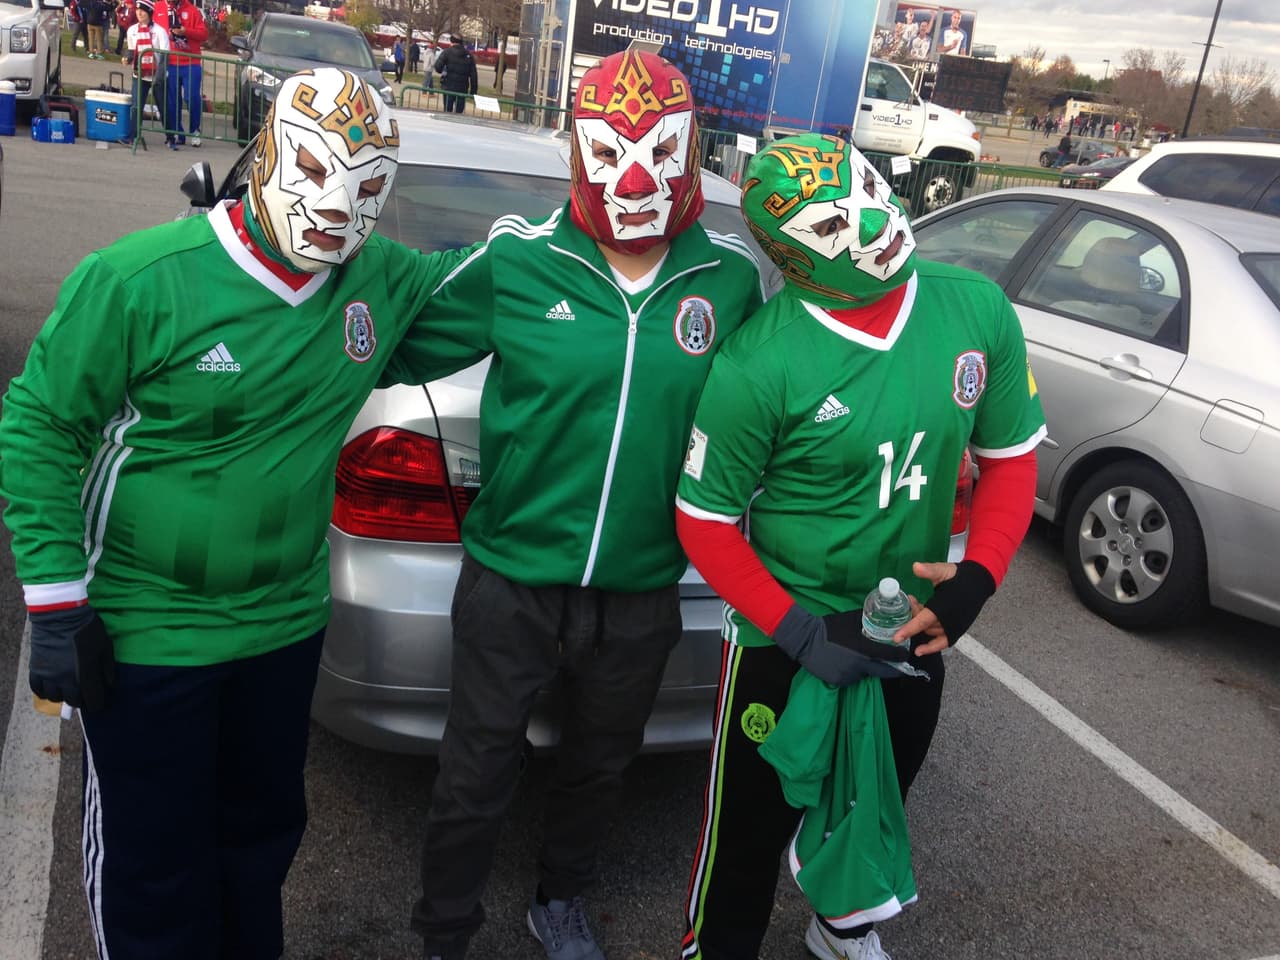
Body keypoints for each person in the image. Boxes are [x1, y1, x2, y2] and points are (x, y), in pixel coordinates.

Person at [0, 67, 484, 960]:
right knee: (154, 865)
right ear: (265, 155)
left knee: (256, 848)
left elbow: (486, 288)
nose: (336, 205)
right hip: (153, 631)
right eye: (313, 169)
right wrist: (57, 600)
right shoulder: (138, 279)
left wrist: (578, 246)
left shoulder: (375, 281)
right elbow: (38, 419)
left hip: (282, 629)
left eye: (367, 183)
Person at [400, 49, 766, 960]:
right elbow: (386, 343)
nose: (634, 176)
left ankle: (559, 900)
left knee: (600, 765)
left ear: (690, 152)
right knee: (476, 765)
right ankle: (444, 929)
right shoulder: (519, 259)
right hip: (510, 576)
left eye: (659, 152)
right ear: (578, 148)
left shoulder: (728, 284)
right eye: (610, 151)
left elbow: (779, 412)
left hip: (642, 585)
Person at [674, 134, 1045, 960]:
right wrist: (795, 628)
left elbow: (1011, 459)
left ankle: (841, 926)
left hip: (905, 621)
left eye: (867, 189)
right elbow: (702, 517)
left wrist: (978, 577)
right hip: (784, 629)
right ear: (795, 256)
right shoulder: (759, 360)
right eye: (835, 222)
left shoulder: (975, 308)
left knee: (878, 794)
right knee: (748, 830)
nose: (872, 222)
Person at [155, 0, 207, 147]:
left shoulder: (192, 10)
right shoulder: (158, 7)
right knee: (172, 101)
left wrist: (186, 31)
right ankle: (178, 132)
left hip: (191, 62)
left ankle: (195, 130)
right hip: (170, 62)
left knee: (192, 98)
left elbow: (204, 34)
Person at [122, 0, 168, 145]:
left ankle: (171, 137)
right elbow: (131, 51)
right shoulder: (132, 30)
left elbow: (164, 58)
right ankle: (132, 136)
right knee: (136, 106)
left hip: (157, 75)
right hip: (140, 74)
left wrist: (158, 79)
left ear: (149, 13)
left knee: (163, 108)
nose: (139, 13)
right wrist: (127, 58)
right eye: (137, 10)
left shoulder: (159, 31)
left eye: (142, 11)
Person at [433, 35, 476, 114]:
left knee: (447, 110)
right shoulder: (469, 55)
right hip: (462, 88)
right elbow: (473, 75)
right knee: (459, 112)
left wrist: (444, 70)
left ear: (451, 42)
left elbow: (437, 68)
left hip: (448, 86)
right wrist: (473, 91)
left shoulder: (447, 52)